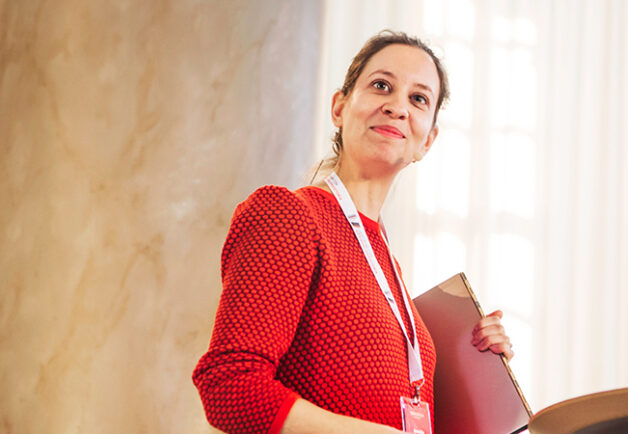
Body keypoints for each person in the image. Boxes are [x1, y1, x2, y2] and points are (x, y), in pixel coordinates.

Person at [193, 30, 514, 434]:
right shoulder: (287, 214)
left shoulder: (388, 265)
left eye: (418, 99)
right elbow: (229, 386)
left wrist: (481, 370)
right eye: (381, 85)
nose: (397, 107)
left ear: (428, 141)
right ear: (340, 108)